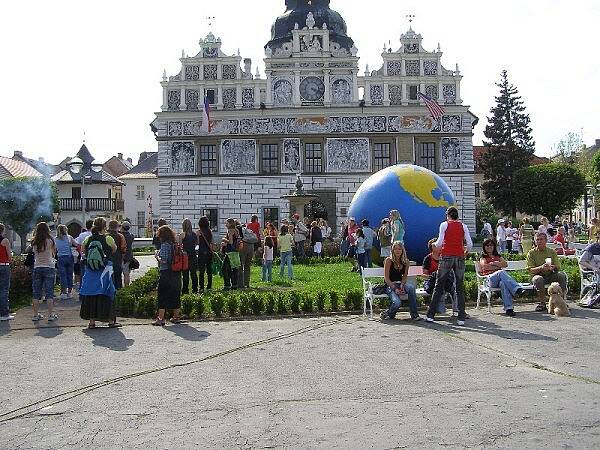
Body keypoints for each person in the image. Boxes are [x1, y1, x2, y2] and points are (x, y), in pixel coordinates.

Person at [426, 207, 473, 325]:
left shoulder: (444, 225)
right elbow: (470, 244)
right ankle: (461, 317)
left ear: (447, 215)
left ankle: (430, 315)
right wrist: (465, 252)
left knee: (439, 285)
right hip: (459, 256)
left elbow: (440, 242)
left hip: (446, 256)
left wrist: (434, 245)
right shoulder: (463, 226)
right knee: (459, 286)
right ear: (457, 215)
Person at [79, 217, 120, 328]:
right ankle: (110, 321)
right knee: (107, 292)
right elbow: (114, 249)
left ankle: (92, 322)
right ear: (104, 226)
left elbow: (82, 250)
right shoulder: (108, 238)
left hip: (90, 269)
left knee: (91, 294)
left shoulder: (88, 238)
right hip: (105, 269)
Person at [479, 238, 523, 316]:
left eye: (491, 245)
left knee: (503, 283)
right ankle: (516, 289)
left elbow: (505, 264)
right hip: (488, 280)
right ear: (484, 247)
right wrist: (498, 265)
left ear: (494, 246)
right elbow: (485, 267)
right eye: (487, 245)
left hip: (499, 280)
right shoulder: (483, 257)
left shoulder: (498, 256)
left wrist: (495, 263)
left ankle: (509, 309)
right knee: (501, 272)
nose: (489, 247)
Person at [527, 232, 568, 312]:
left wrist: (552, 267)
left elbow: (557, 266)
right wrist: (541, 268)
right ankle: (542, 303)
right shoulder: (531, 253)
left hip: (550, 274)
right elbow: (530, 269)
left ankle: (561, 301)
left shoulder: (551, 252)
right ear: (535, 241)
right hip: (537, 274)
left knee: (562, 276)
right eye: (537, 240)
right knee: (538, 279)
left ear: (545, 241)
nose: (539, 241)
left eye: (541, 239)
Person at [379, 241, 421, 321]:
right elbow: (386, 278)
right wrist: (395, 288)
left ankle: (414, 314)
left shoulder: (406, 261)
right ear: (392, 250)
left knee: (411, 287)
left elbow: (404, 277)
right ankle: (388, 313)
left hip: (400, 283)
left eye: (399, 249)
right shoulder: (388, 260)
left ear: (402, 251)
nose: (397, 251)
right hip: (390, 285)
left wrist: (402, 285)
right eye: (395, 249)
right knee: (397, 303)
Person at [153, 225, 182, 326]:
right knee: (175, 294)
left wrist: (157, 257)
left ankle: (161, 318)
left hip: (166, 272)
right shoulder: (174, 244)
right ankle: (176, 317)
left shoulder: (165, 245)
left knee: (162, 294)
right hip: (176, 272)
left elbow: (164, 260)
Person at [30, 222, 57, 322]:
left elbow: (34, 253)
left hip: (37, 267)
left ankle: (36, 315)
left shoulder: (34, 241)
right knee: (49, 292)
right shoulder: (50, 240)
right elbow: (54, 253)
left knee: (36, 292)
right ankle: (50, 315)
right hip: (49, 267)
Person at [422, 238, 456, 314]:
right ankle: (437, 308)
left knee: (454, 289)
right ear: (432, 247)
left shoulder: (444, 257)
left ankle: (457, 309)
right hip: (431, 282)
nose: (440, 246)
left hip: (444, 281)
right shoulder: (428, 258)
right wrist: (435, 275)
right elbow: (424, 275)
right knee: (440, 284)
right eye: (437, 245)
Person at [55, 225, 77, 300]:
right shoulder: (69, 237)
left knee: (63, 276)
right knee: (70, 275)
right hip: (69, 257)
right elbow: (76, 244)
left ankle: (64, 293)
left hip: (61, 258)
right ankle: (70, 293)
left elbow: (54, 249)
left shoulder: (55, 239)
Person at [180, 219, 198, 294]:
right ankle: (195, 289)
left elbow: (180, 245)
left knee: (185, 274)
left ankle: (185, 290)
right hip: (193, 255)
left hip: (185, 256)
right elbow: (197, 243)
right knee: (193, 273)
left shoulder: (183, 234)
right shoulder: (194, 234)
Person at [221, 218, 241, 290]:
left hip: (230, 252)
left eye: (226, 223)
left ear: (230, 224)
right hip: (236, 251)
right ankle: (234, 284)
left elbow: (231, 242)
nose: (225, 224)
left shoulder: (230, 231)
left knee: (224, 268)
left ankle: (227, 285)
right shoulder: (236, 230)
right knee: (234, 268)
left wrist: (224, 239)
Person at [0, 223, 14, 321]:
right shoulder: (5, 240)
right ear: (2, 230)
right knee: (4, 290)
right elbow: (9, 256)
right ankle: (4, 313)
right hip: (3, 265)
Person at [107, 220, 127, 290]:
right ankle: (118, 293)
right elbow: (123, 249)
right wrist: (122, 259)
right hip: (117, 258)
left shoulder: (106, 236)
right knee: (118, 278)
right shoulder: (120, 236)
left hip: (107, 259)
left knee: (108, 278)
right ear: (117, 227)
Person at [196, 216, 214, 291]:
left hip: (202, 252)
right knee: (209, 270)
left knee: (202, 271)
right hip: (209, 252)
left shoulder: (199, 232)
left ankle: (201, 287)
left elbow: (197, 242)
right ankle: (209, 286)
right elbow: (211, 242)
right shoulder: (210, 231)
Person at [75, 219, 94, 285]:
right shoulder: (93, 235)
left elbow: (78, 246)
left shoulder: (81, 235)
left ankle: (82, 291)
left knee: (82, 275)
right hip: (93, 258)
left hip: (83, 258)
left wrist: (81, 254)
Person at [239, 224, 258, 288]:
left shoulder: (238, 229)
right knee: (247, 266)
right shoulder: (249, 231)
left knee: (240, 266)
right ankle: (247, 283)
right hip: (251, 248)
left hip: (243, 247)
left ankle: (240, 284)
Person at [120, 221, 135, 287]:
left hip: (120, 256)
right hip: (128, 256)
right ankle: (127, 288)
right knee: (126, 274)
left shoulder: (119, 235)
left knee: (118, 274)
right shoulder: (131, 236)